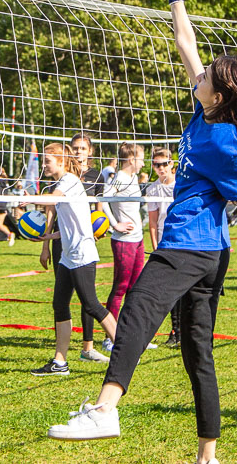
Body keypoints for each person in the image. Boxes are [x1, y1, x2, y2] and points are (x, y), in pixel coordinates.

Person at [46, 0, 237, 464]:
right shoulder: (202, 105)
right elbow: (186, 44)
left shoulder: (227, 142)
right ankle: (208, 456)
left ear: (222, 93)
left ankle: (104, 410)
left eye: (209, 73)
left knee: (139, 308)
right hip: (208, 252)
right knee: (197, 355)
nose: (202, 71)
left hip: (193, 245)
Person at [31, 143, 119, 376]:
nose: (44, 165)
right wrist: (50, 236)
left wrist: (28, 198)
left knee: (91, 304)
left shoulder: (69, 181)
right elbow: (73, 222)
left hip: (82, 253)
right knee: (59, 305)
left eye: (47, 161)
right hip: (68, 255)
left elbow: (51, 200)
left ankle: (125, 350)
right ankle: (60, 362)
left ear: (60, 161)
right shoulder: (61, 183)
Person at [101, 142, 148, 352]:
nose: (143, 162)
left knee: (135, 288)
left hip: (138, 239)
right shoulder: (118, 178)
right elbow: (102, 199)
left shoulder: (134, 178)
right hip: (123, 240)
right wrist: (114, 224)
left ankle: (129, 334)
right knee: (120, 288)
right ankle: (109, 338)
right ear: (131, 159)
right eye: (141, 158)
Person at [69, 131, 109, 362]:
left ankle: (88, 346)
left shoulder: (96, 175)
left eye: (82, 148)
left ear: (90, 151)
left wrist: (99, 227)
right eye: (75, 148)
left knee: (88, 295)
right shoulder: (65, 173)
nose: (78, 152)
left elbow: (99, 205)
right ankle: (61, 349)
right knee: (62, 297)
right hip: (63, 237)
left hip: (85, 238)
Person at [145, 147, 181, 346]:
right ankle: (175, 330)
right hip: (164, 243)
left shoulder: (181, 185)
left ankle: (182, 330)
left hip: (182, 241)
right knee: (165, 291)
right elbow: (152, 222)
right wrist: (156, 247)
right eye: (157, 165)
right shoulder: (152, 189)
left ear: (172, 164)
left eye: (165, 164)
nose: (161, 168)